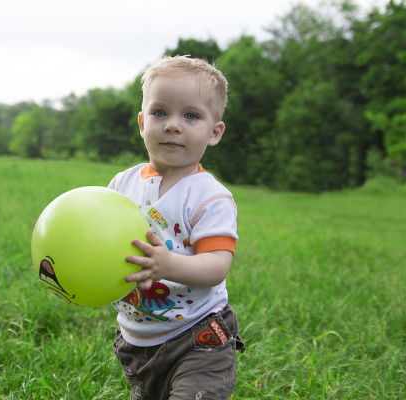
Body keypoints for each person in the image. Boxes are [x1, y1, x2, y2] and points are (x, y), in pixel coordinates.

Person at [108, 55, 245, 400]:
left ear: (214, 132)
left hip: (198, 336)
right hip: (136, 339)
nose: (172, 125)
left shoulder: (209, 196)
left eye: (191, 115)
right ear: (142, 122)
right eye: (159, 113)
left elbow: (217, 264)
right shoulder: (122, 184)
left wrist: (169, 265)